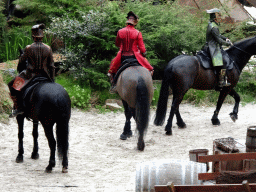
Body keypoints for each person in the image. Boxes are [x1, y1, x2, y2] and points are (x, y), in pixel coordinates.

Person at [8, 23, 55, 117]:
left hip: (30, 75)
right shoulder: (48, 48)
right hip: (45, 75)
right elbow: (51, 66)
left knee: (11, 85)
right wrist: (52, 80)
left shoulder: (29, 48)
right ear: (42, 36)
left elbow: (21, 62)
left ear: (33, 36)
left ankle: (18, 108)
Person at [108, 11, 154, 93]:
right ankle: (150, 85)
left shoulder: (120, 31)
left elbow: (117, 44)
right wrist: (144, 53)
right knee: (150, 69)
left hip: (122, 55)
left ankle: (114, 86)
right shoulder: (138, 33)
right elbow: (142, 48)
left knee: (112, 70)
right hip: (135, 56)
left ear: (127, 21)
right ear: (135, 22)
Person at [205, 8, 233, 87]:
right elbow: (218, 40)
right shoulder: (214, 27)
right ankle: (221, 82)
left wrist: (225, 38)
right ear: (215, 17)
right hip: (213, 48)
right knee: (223, 62)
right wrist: (228, 44)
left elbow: (218, 35)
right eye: (219, 15)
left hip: (209, 45)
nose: (220, 17)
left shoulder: (211, 24)